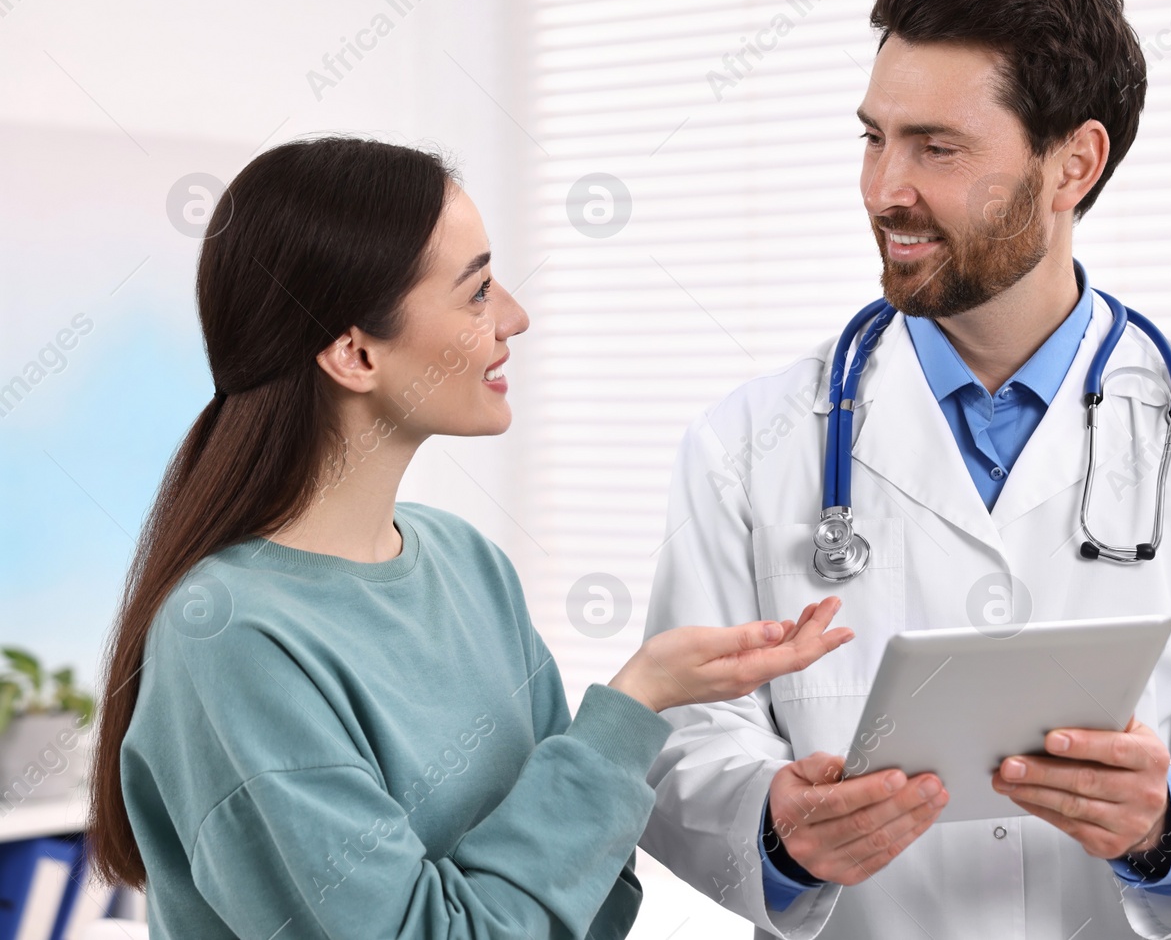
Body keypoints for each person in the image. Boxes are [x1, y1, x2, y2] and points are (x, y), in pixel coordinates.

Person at [638, 0, 1171, 939]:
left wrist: (1167, 822)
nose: (884, 187)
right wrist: (772, 827)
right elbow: (683, 737)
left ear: (1074, 162)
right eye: (872, 137)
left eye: (937, 147)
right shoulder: (748, 443)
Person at [85, 137, 853, 939]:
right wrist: (633, 704)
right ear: (355, 353)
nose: (515, 317)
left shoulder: (467, 564)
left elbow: (601, 898)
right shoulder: (232, 637)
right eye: (478, 291)